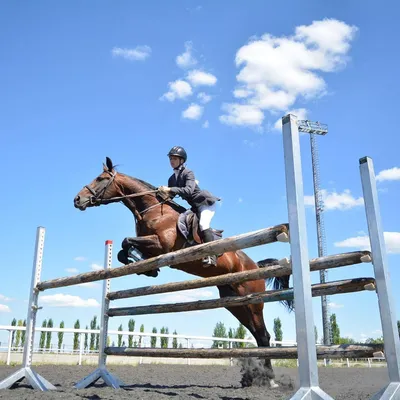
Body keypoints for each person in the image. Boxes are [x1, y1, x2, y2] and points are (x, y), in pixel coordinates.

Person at [158, 146, 220, 267]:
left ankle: (212, 256)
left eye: (175, 158)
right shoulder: (172, 179)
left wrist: (170, 189)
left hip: (205, 203)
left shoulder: (188, 173)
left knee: (203, 224)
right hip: (194, 207)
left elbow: (188, 191)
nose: (171, 161)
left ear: (182, 160)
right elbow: (170, 196)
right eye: (170, 158)